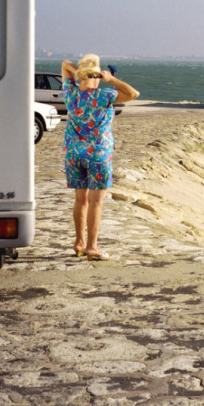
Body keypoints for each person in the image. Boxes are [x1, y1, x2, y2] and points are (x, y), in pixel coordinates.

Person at [60, 54, 139, 260]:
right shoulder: (104, 96)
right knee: (96, 202)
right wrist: (110, 79)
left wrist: (81, 71)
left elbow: (65, 67)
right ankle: (92, 247)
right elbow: (133, 94)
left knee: (80, 199)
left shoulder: (71, 93)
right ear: (96, 75)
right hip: (98, 154)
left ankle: (79, 243)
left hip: (74, 153)